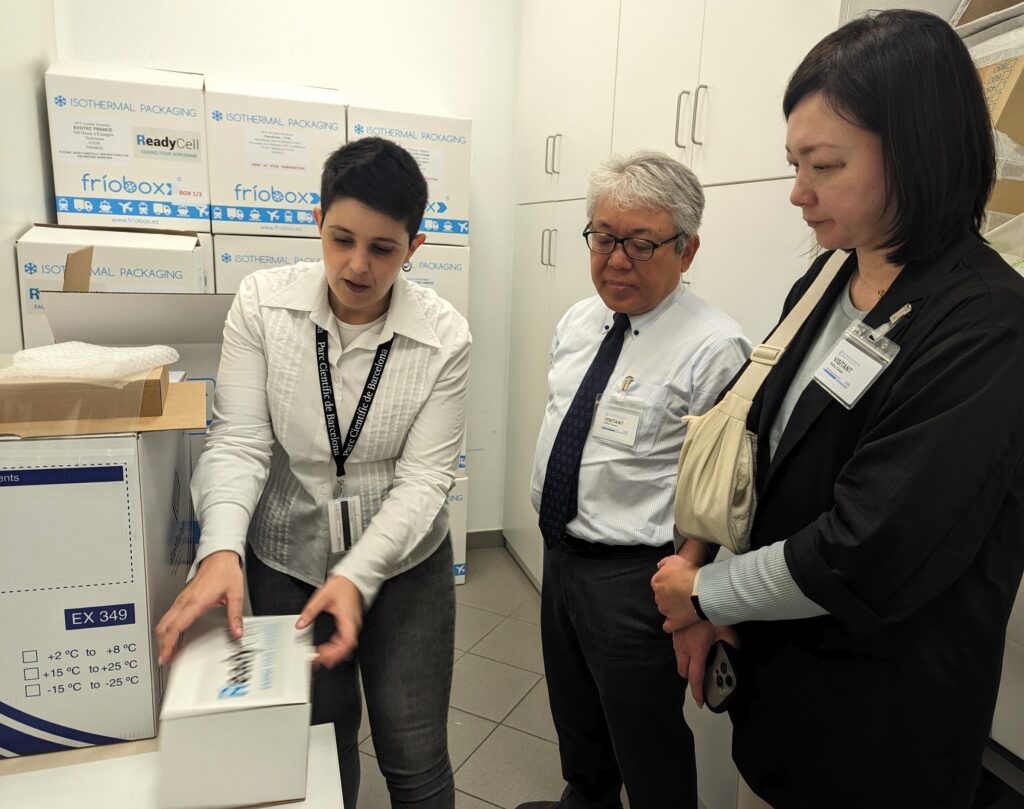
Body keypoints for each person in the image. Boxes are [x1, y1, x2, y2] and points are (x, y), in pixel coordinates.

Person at [651, 11, 1024, 809]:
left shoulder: (987, 322)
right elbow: (749, 429)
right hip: (778, 685)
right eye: (794, 163)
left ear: (918, 154)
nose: (798, 193)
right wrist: (694, 568)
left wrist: (704, 595)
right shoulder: (827, 280)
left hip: (882, 731)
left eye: (823, 164)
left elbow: (870, 544)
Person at [155, 137, 471, 809]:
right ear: (318, 220)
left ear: (414, 246)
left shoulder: (445, 337)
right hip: (287, 556)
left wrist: (356, 577)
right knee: (317, 743)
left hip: (406, 563)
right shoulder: (263, 306)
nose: (356, 265)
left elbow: (423, 482)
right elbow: (239, 441)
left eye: (383, 248)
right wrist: (220, 548)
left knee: (414, 754)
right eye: (341, 238)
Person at [519, 150, 750, 809]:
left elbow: (717, 488)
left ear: (687, 248)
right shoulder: (578, 320)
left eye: (640, 243)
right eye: (603, 237)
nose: (616, 260)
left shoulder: (714, 347)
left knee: (644, 739)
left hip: (639, 577)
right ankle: (586, 799)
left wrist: (691, 585)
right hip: (562, 552)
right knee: (578, 721)